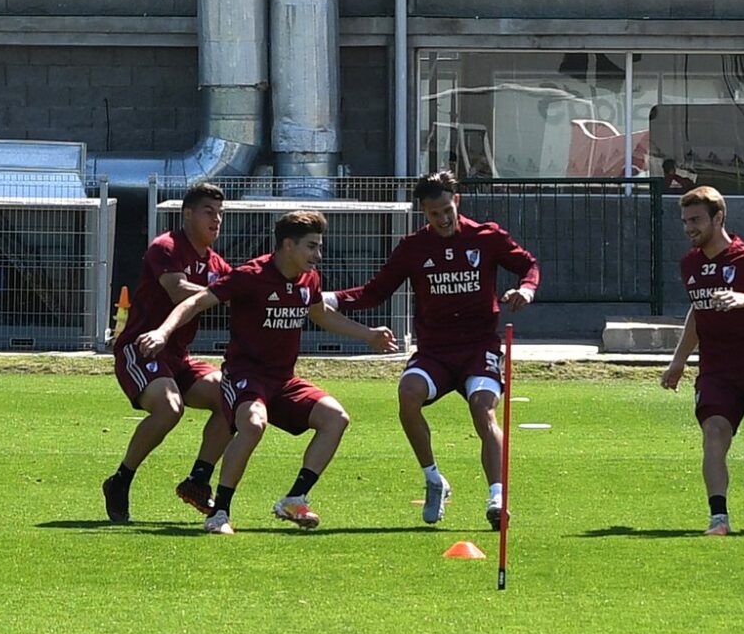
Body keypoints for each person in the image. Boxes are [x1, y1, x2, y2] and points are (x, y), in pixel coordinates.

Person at [136, 211, 397, 534]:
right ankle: (219, 513)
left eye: (319, 246)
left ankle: (295, 498)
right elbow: (196, 302)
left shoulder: (308, 278)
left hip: (283, 381)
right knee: (253, 424)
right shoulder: (251, 275)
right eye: (312, 247)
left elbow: (322, 316)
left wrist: (369, 335)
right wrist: (162, 332)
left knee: (336, 418)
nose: (319, 255)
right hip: (245, 376)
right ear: (288, 245)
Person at [328, 170, 538, 528]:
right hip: (435, 352)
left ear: (456, 201)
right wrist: (330, 297)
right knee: (408, 394)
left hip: (478, 348)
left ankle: (496, 497)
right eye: (433, 213)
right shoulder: (413, 248)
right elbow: (376, 291)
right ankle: (433, 479)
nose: (442, 219)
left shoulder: (486, 236)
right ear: (423, 212)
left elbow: (527, 265)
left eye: (446, 210)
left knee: (482, 408)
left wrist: (526, 289)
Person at [659, 186, 744, 536]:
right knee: (715, 433)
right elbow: (698, 310)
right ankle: (719, 519)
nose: (689, 228)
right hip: (717, 372)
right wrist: (678, 361)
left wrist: (743, 298)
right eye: (685, 221)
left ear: (718, 217)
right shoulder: (690, 263)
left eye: (696, 220)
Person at [101, 182, 235, 524]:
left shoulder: (218, 264)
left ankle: (197, 480)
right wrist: (225, 293)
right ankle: (120, 481)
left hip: (179, 357)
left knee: (233, 398)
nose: (217, 220)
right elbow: (178, 290)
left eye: (220, 214)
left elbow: (242, 292)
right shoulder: (167, 247)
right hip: (142, 348)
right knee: (169, 407)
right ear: (187, 213)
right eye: (209, 212)